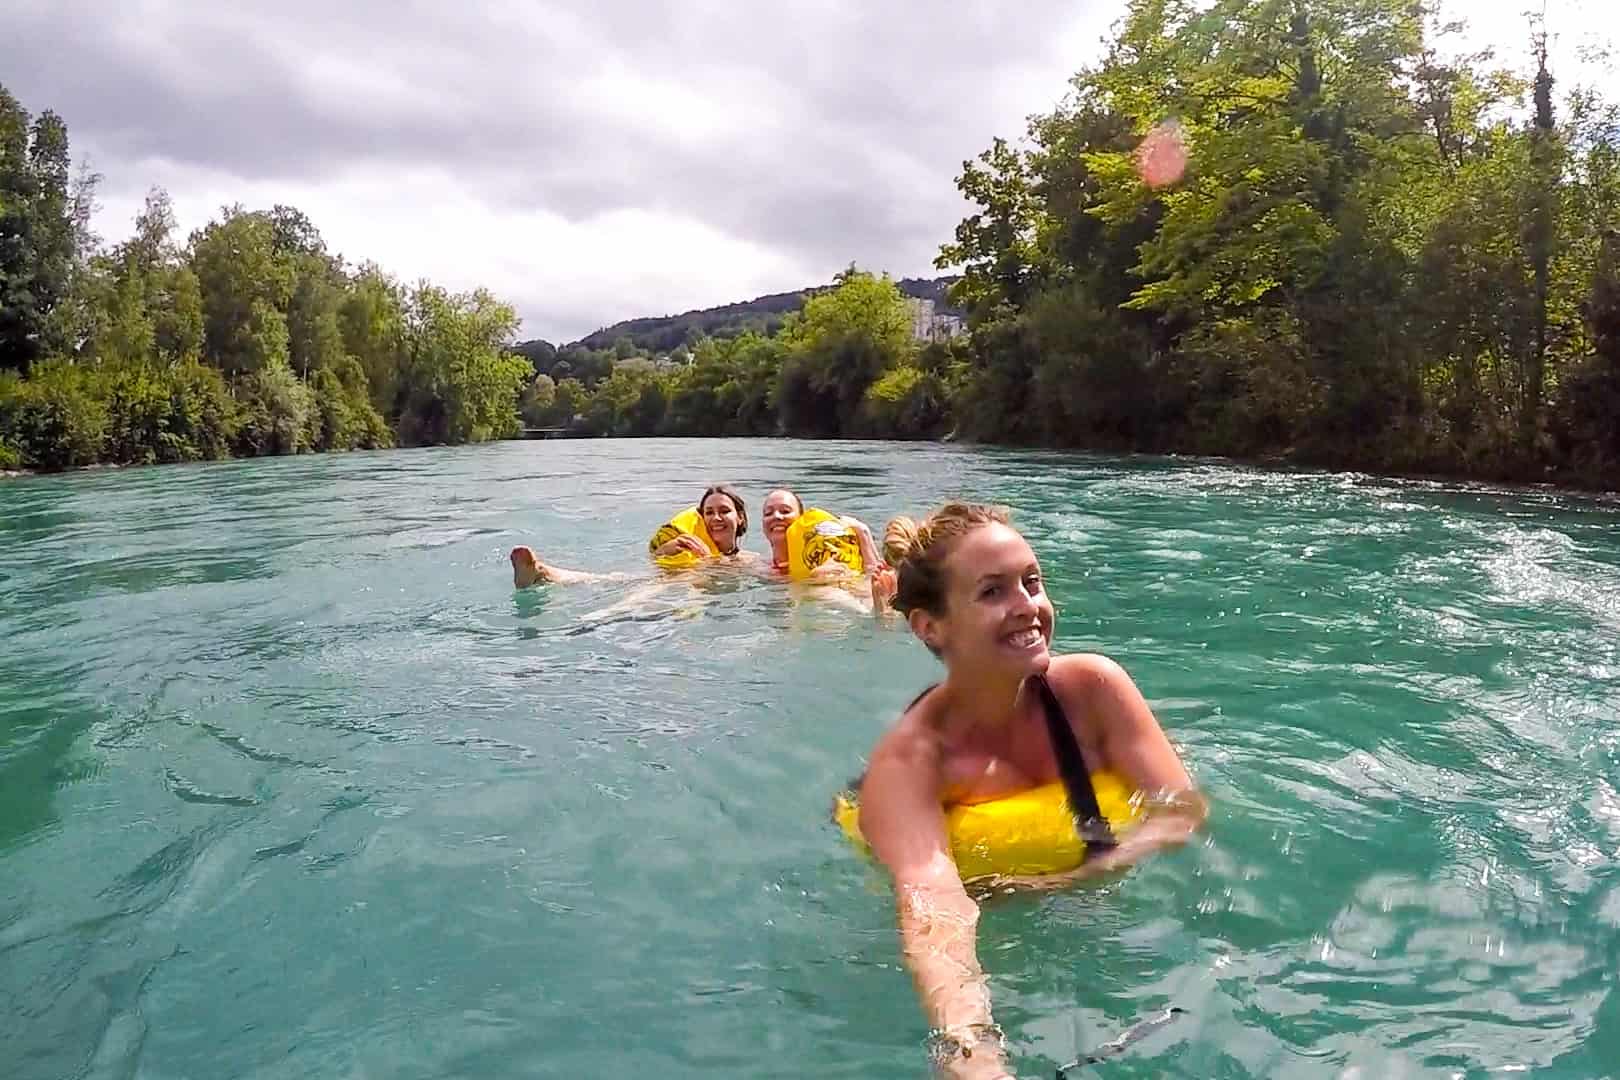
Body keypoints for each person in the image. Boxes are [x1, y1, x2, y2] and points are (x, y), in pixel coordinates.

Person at [850, 502, 1205, 1079]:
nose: (1028, 607)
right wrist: (971, 1051)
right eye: (993, 592)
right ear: (929, 626)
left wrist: (1079, 876)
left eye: (1032, 581)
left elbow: (1182, 812)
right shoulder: (911, 763)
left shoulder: (1093, 688)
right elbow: (933, 911)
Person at [511, 484, 752, 588]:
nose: (716, 518)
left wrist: (711, 560)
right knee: (616, 580)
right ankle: (541, 572)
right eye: (709, 512)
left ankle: (586, 618)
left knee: (633, 592)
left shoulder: (748, 560)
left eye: (724, 511)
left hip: (688, 594)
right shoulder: (687, 542)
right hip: (666, 580)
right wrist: (666, 549)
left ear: (739, 517)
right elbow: (655, 562)